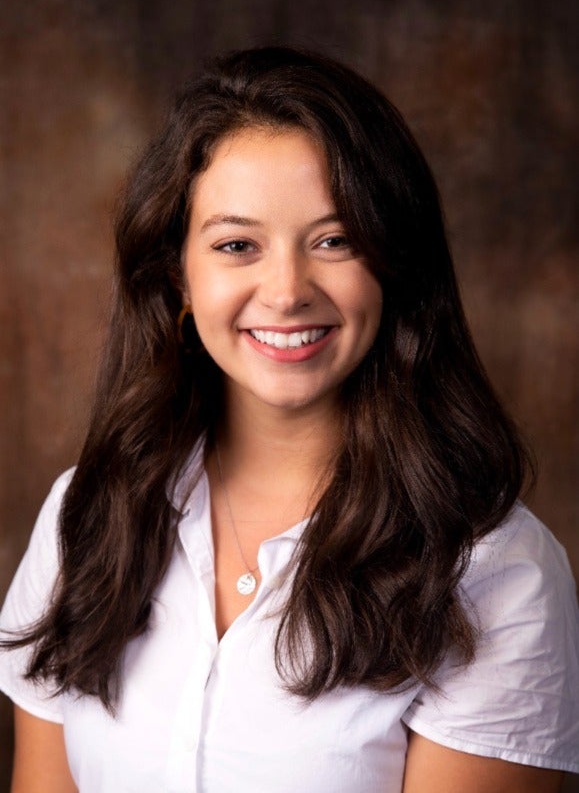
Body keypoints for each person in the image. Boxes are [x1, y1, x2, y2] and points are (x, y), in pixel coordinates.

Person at [1, 46, 578, 793]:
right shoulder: (84, 514)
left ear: (394, 266)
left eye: (334, 241)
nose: (285, 291)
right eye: (236, 245)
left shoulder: (492, 570)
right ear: (179, 274)